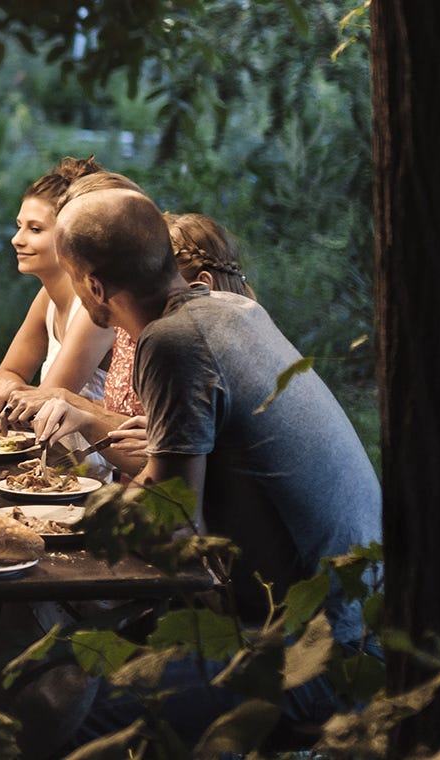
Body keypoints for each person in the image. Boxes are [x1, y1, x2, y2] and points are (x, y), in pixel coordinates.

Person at [47, 173, 381, 748]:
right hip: (352, 615)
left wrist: (83, 516)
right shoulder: (229, 308)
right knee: (61, 650)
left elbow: (175, 533)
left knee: (55, 700)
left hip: (320, 652)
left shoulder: (170, 343)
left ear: (94, 287)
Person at [32, 211, 261, 475]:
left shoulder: (183, 345)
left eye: (151, 286)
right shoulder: (239, 316)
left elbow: (178, 490)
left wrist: (78, 410)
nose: (137, 301)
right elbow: (160, 461)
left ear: (201, 285)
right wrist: (86, 419)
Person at [0, 157, 119, 425]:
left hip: (94, 464)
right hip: (57, 456)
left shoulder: (92, 307)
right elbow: (8, 373)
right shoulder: (47, 296)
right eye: (19, 226)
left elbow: (40, 405)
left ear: (71, 234)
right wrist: (9, 388)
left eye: (35, 229)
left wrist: (10, 392)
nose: (17, 239)